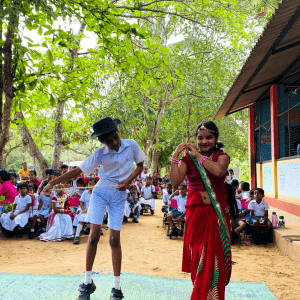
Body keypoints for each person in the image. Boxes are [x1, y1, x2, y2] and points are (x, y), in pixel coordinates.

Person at [43, 117, 146, 300]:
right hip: (100, 193)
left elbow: (140, 166)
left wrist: (128, 181)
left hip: (119, 195)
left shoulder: (131, 145)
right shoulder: (99, 153)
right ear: (102, 142)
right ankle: (87, 283)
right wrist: (52, 183)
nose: (114, 142)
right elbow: (77, 171)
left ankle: (116, 288)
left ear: (117, 132)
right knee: (94, 235)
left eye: (115, 137)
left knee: (114, 240)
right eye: (108, 141)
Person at [170, 121, 232, 300]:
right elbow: (175, 182)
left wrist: (197, 155)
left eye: (209, 138)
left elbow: (219, 172)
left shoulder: (222, 156)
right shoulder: (187, 159)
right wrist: (176, 155)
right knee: (198, 256)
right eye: (200, 138)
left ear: (216, 139)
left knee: (213, 260)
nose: (204, 141)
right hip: (195, 215)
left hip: (215, 215)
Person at [73, 177, 97, 244]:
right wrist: (83, 209)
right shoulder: (85, 193)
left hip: (94, 211)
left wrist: (91, 210)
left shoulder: (97, 193)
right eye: (90, 184)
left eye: (93, 184)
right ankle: (77, 236)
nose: (91, 186)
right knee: (82, 218)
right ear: (87, 185)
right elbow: (82, 203)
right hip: (86, 210)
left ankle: (93, 235)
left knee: (94, 218)